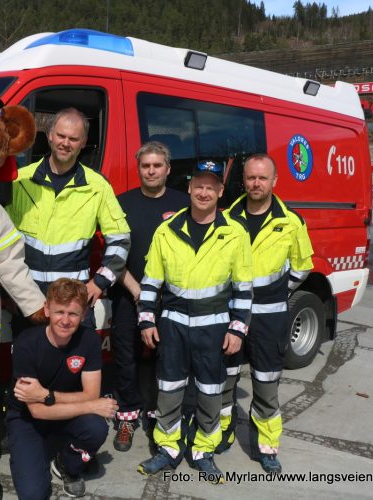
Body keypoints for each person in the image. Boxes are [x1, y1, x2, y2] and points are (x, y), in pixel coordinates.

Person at [136, 160, 253, 483]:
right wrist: (147, 321)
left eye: (210, 186)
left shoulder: (234, 233)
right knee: (169, 390)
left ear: (219, 191)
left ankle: (203, 450)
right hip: (173, 324)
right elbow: (151, 282)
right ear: (189, 188)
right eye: (198, 185)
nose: (203, 192)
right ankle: (168, 448)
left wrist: (238, 329)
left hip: (214, 326)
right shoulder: (167, 229)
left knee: (211, 391)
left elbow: (244, 288)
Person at [217, 153, 314, 473]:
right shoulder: (227, 218)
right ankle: (223, 433)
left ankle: (266, 446)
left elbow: (302, 267)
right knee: (225, 379)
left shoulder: (291, 221)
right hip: (232, 314)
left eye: (262, 178)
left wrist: (275, 292)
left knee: (266, 382)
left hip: (270, 316)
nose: (255, 183)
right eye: (250, 177)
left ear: (274, 181)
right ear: (242, 180)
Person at [6, 107, 130, 324]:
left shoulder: (97, 186)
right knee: (30, 358)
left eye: (73, 139)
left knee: (77, 359)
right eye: (61, 136)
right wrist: (8, 290)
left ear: (83, 143)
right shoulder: (20, 181)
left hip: (75, 303)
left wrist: (99, 283)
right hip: (29, 300)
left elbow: (121, 241)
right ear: (50, 135)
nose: (65, 143)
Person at [6, 278, 118, 499]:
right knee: (33, 494)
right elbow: (37, 410)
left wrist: (45, 395)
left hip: (62, 412)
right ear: (47, 310)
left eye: (73, 314)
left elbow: (91, 395)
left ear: (84, 314)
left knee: (96, 428)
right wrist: (89, 404)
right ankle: (37, 448)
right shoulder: (26, 343)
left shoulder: (89, 340)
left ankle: (66, 463)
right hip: (26, 418)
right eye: (59, 312)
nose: (65, 320)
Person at [110, 142, 189, 452]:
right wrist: (137, 290)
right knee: (125, 357)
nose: (152, 170)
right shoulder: (121, 204)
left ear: (168, 169)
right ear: (138, 168)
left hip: (169, 298)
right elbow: (114, 255)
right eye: (146, 166)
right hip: (130, 292)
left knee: (166, 358)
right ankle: (127, 417)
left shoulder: (184, 205)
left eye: (157, 165)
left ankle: (161, 416)